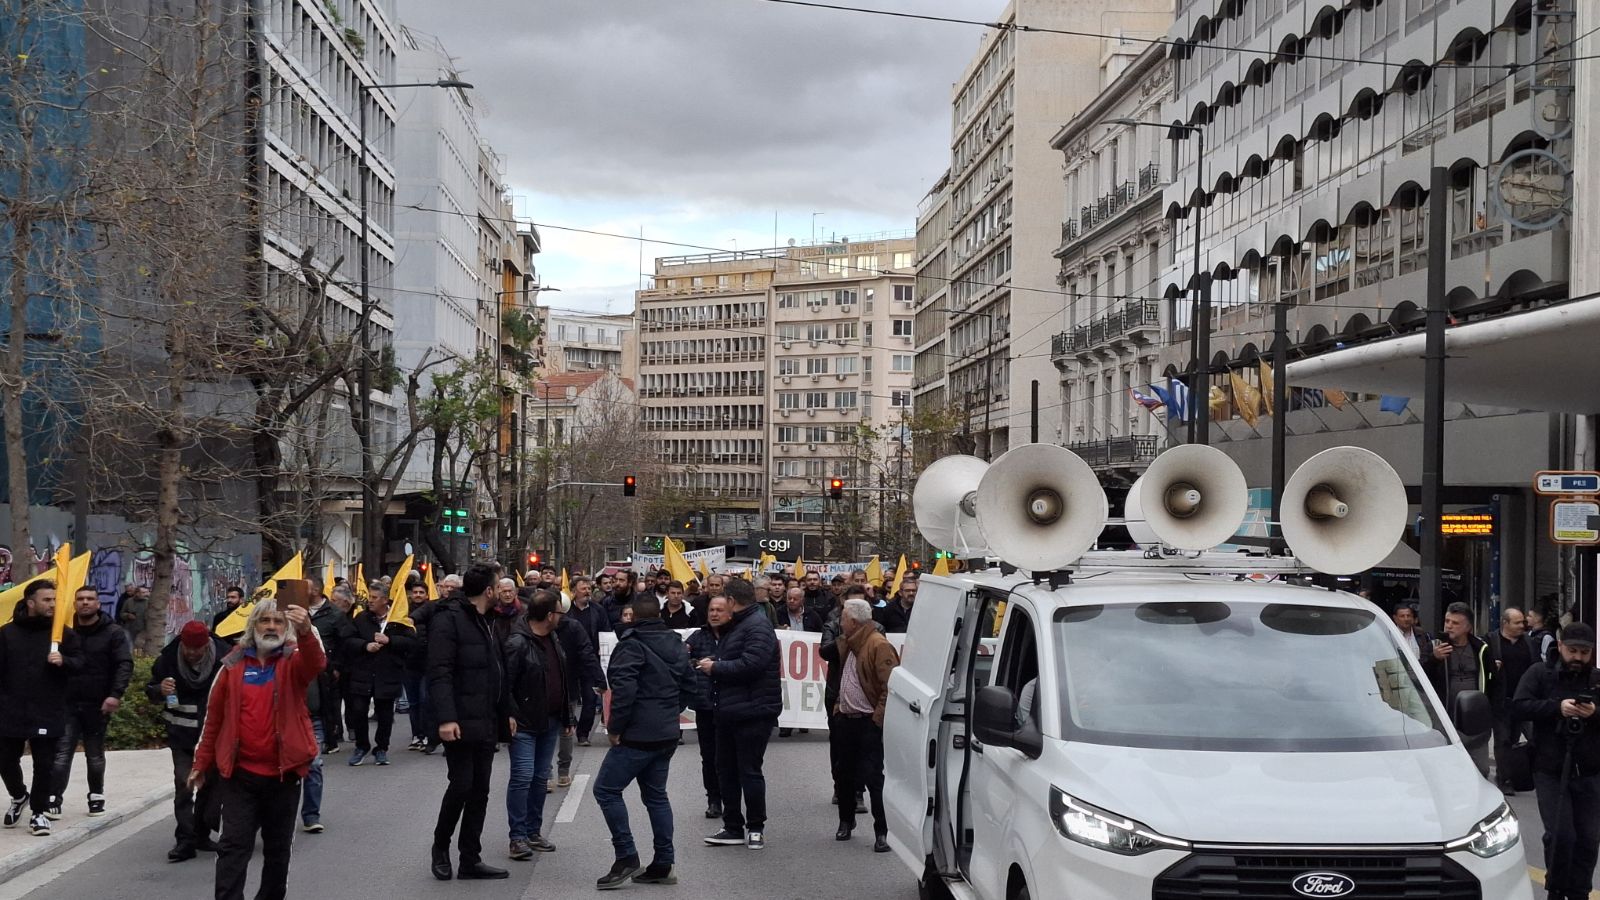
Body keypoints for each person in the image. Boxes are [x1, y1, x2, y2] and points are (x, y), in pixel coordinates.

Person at [190, 600, 324, 900]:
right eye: (265, 621)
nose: (272, 627)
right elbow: (214, 719)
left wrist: (305, 631)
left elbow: (316, 664)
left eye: (278, 621)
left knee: (277, 850)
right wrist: (201, 763)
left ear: (286, 627)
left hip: (284, 776)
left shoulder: (294, 660)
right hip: (240, 776)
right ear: (253, 626)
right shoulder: (232, 665)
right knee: (232, 847)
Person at [592, 594, 702, 889]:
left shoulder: (631, 645)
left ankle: (626, 856)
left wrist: (615, 728)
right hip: (666, 733)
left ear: (634, 617)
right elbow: (690, 684)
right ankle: (663, 863)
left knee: (606, 790)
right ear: (659, 614)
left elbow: (624, 692)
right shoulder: (676, 643)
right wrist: (669, 710)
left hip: (637, 735)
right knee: (656, 796)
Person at [428, 563, 516, 882]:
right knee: (461, 785)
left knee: (480, 790)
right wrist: (446, 717)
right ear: (489, 591)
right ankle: (440, 847)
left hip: (486, 719)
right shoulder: (449, 619)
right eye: (498, 585)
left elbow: (498, 672)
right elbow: (440, 671)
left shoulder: (490, 620)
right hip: (460, 720)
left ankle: (470, 859)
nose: (503, 590)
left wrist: (507, 712)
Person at [1514, 622, 1600, 900]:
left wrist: (1594, 713)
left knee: (1588, 840)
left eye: (1584, 653)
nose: (1578, 658)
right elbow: (1518, 706)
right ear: (1560, 646)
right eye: (1573, 650)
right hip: (1550, 769)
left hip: (1589, 772)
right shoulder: (1541, 673)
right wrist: (1556, 708)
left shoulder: (1596, 679)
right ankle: (1556, 888)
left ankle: (1579, 892)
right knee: (1562, 836)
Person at [698, 578, 781, 850]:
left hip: (753, 711)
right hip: (729, 710)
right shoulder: (739, 625)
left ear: (732, 601)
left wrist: (716, 668)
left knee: (749, 771)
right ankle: (732, 826)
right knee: (726, 770)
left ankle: (755, 827)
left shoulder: (757, 626)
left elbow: (752, 664)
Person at [0, 581, 85, 836]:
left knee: (44, 763)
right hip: (11, 709)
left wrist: (64, 661)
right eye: (46, 600)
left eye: (54, 599)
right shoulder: (6, 634)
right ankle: (19, 796)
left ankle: (38, 812)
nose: (52, 604)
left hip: (48, 708)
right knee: (5, 760)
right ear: (30, 602)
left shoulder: (62, 634)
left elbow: (81, 663)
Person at [49, 584, 132, 820]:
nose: (85, 602)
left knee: (94, 754)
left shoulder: (113, 633)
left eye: (90, 598)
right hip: (67, 702)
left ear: (98, 603)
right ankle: (53, 798)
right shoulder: (62, 632)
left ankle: (96, 795)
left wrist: (115, 694)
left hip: (97, 703)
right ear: (74, 604)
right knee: (62, 752)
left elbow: (124, 664)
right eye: (80, 599)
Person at [503, 590, 576, 859]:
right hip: (524, 722)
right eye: (559, 612)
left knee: (539, 777)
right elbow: (505, 684)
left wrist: (567, 716)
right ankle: (517, 837)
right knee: (522, 777)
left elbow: (561, 679)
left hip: (550, 720)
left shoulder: (553, 638)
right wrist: (509, 714)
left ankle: (533, 832)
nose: (562, 617)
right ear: (548, 615)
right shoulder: (517, 643)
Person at [148, 621, 228, 861]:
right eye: (187, 648)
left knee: (210, 788)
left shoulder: (225, 659)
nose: (191, 653)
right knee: (184, 786)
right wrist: (159, 689)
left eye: (197, 649)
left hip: (213, 737)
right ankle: (185, 840)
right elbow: (150, 690)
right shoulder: (168, 660)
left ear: (207, 644)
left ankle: (201, 834)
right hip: (181, 735)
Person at [829, 598, 899, 851]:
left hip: (867, 722)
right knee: (843, 774)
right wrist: (839, 707)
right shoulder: (848, 643)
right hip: (845, 720)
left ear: (854, 621)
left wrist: (877, 720)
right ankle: (846, 821)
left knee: (873, 778)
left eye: (843, 618)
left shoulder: (878, 645)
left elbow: (890, 687)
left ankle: (882, 831)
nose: (840, 623)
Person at [343, 585, 415, 767]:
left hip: (387, 673)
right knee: (359, 711)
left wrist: (390, 641)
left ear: (384, 600)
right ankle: (361, 746)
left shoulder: (398, 620)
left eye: (375, 597)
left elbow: (411, 643)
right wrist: (365, 646)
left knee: (385, 714)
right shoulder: (361, 618)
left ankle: (381, 748)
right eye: (370, 596)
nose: (370, 600)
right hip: (363, 673)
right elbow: (348, 639)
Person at [1424, 601, 1495, 776]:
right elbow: (1418, 677)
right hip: (1444, 718)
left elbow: (1494, 681)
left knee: (1480, 770)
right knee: (1447, 770)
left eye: (1455, 623)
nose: (1449, 626)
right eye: (1447, 621)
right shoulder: (1433, 646)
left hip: (1475, 720)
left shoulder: (1481, 648)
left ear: (1468, 627)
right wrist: (1434, 659)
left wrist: (1491, 712)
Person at [553, 601, 605, 784]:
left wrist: (599, 678)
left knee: (566, 729)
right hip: (542, 686)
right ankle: (546, 773)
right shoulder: (531, 627)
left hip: (568, 683)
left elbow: (586, 652)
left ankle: (563, 769)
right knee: (547, 730)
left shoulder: (573, 627)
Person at [686, 596, 728, 820]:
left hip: (731, 705)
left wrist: (718, 665)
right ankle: (714, 799)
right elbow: (683, 660)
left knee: (729, 756)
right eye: (712, 610)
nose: (714, 614)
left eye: (719, 610)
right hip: (705, 705)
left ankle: (731, 798)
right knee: (709, 756)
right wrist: (696, 663)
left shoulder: (736, 635)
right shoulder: (698, 636)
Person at [1488, 606, 1535, 795]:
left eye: (1523, 622)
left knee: (1521, 739)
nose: (1522, 626)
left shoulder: (1529, 642)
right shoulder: (1492, 641)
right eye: (1517, 623)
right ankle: (1504, 779)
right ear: (1505, 623)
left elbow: (1536, 667)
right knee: (1503, 740)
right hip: (1501, 701)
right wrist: (1492, 667)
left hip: (1523, 701)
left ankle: (1518, 774)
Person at [307, 581, 354, 758]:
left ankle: (331, 738)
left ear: (315, 590)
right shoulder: (300, 610)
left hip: (328, 666)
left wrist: (337, 666)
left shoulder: (335, 614)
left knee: (329, 703)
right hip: (306, 666)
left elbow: (344, 643)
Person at [565, 576, 611, 747]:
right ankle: (569, 723)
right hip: (569, 661)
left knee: (590, 699)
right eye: (583, 589)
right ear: (573, 591)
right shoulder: (566, 610)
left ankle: (583, 734)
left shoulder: (598, 610)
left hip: (590, 660)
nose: (587, 592)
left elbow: (606, 631)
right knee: (569, 698)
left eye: (589, 589)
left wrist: (602, 647)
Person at [405, 581, 441, 752]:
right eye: (415, 592)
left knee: (425, 700)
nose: (418, 595)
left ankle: (427, 734)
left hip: (427, 664)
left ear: (427, 595)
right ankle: (416, 735)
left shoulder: (433, 611)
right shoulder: (403, 611)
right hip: (409, 664)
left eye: (421, 592)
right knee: (413, 702)